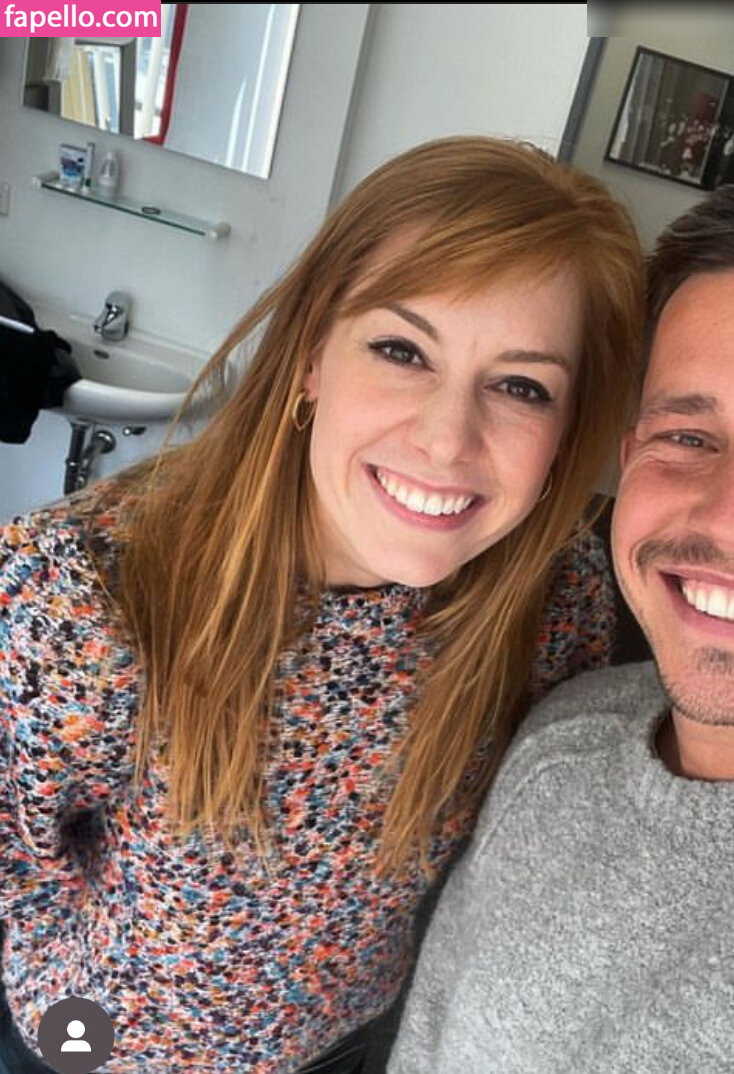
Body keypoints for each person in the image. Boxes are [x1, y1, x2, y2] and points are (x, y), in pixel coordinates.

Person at [0, 136, 644, 1074]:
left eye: (521, 386)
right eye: (401, 350)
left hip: (341, 1048)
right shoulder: (81, 591)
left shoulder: (554, 597)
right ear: (310, 357)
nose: (447, 439)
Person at [388, 184, 734, 1073]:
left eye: (520, 386)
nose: (725, 518)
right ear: (629, 457)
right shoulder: (565, 737)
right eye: (690, 438)